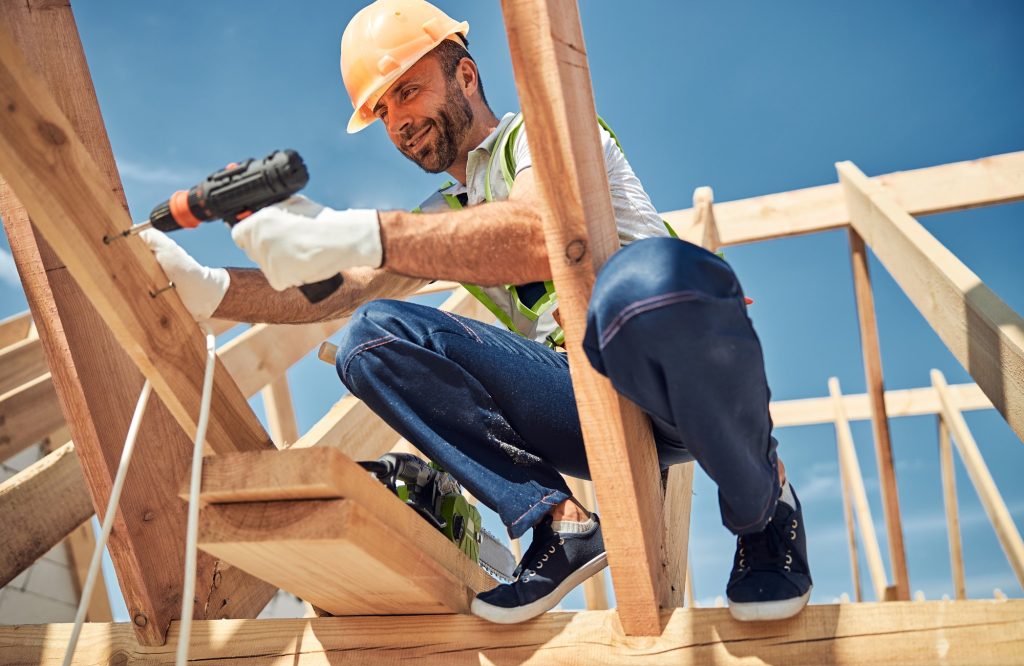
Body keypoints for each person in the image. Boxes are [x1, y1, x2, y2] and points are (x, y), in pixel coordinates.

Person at [142, 0, 811, 625]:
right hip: (577, 397)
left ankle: (764, 513)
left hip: (670, 369)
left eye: (409, 90)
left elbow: (530, 237)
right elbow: (333, 291)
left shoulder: (547, 139)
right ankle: (557, 522)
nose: (398, 120)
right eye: (382, 111)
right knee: (371, 337)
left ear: (465, 73)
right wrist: (210, 289)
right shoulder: (447, 214)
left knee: (642, 283)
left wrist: (362, 231)